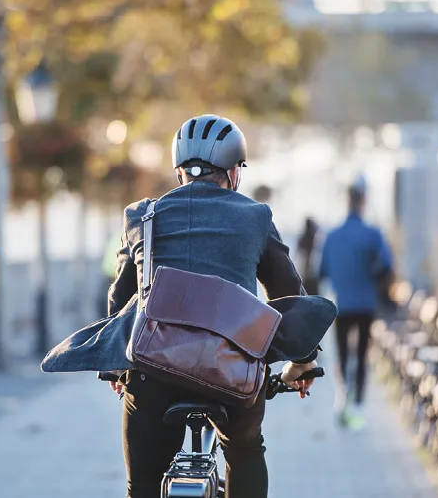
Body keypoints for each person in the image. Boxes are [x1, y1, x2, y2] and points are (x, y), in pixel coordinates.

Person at [106, 114, 320, 498]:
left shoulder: (142, 215)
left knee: (141, 484)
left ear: (178, 173)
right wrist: (301, 363)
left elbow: (121, 300)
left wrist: (115, 366)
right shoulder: (255, 217)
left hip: (154, 372)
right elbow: (289, 296)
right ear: (234, 172)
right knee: (245, 450)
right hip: (232, 371)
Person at [319, 177, 393, 430]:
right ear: (363, 202)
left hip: (341, 304)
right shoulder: (373, 234)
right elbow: (386, 266)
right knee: (361, 355)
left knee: (341, 354)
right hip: (366, 303)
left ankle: (342, 397)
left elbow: (322, 271)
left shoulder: (332, 236)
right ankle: (359, 403)